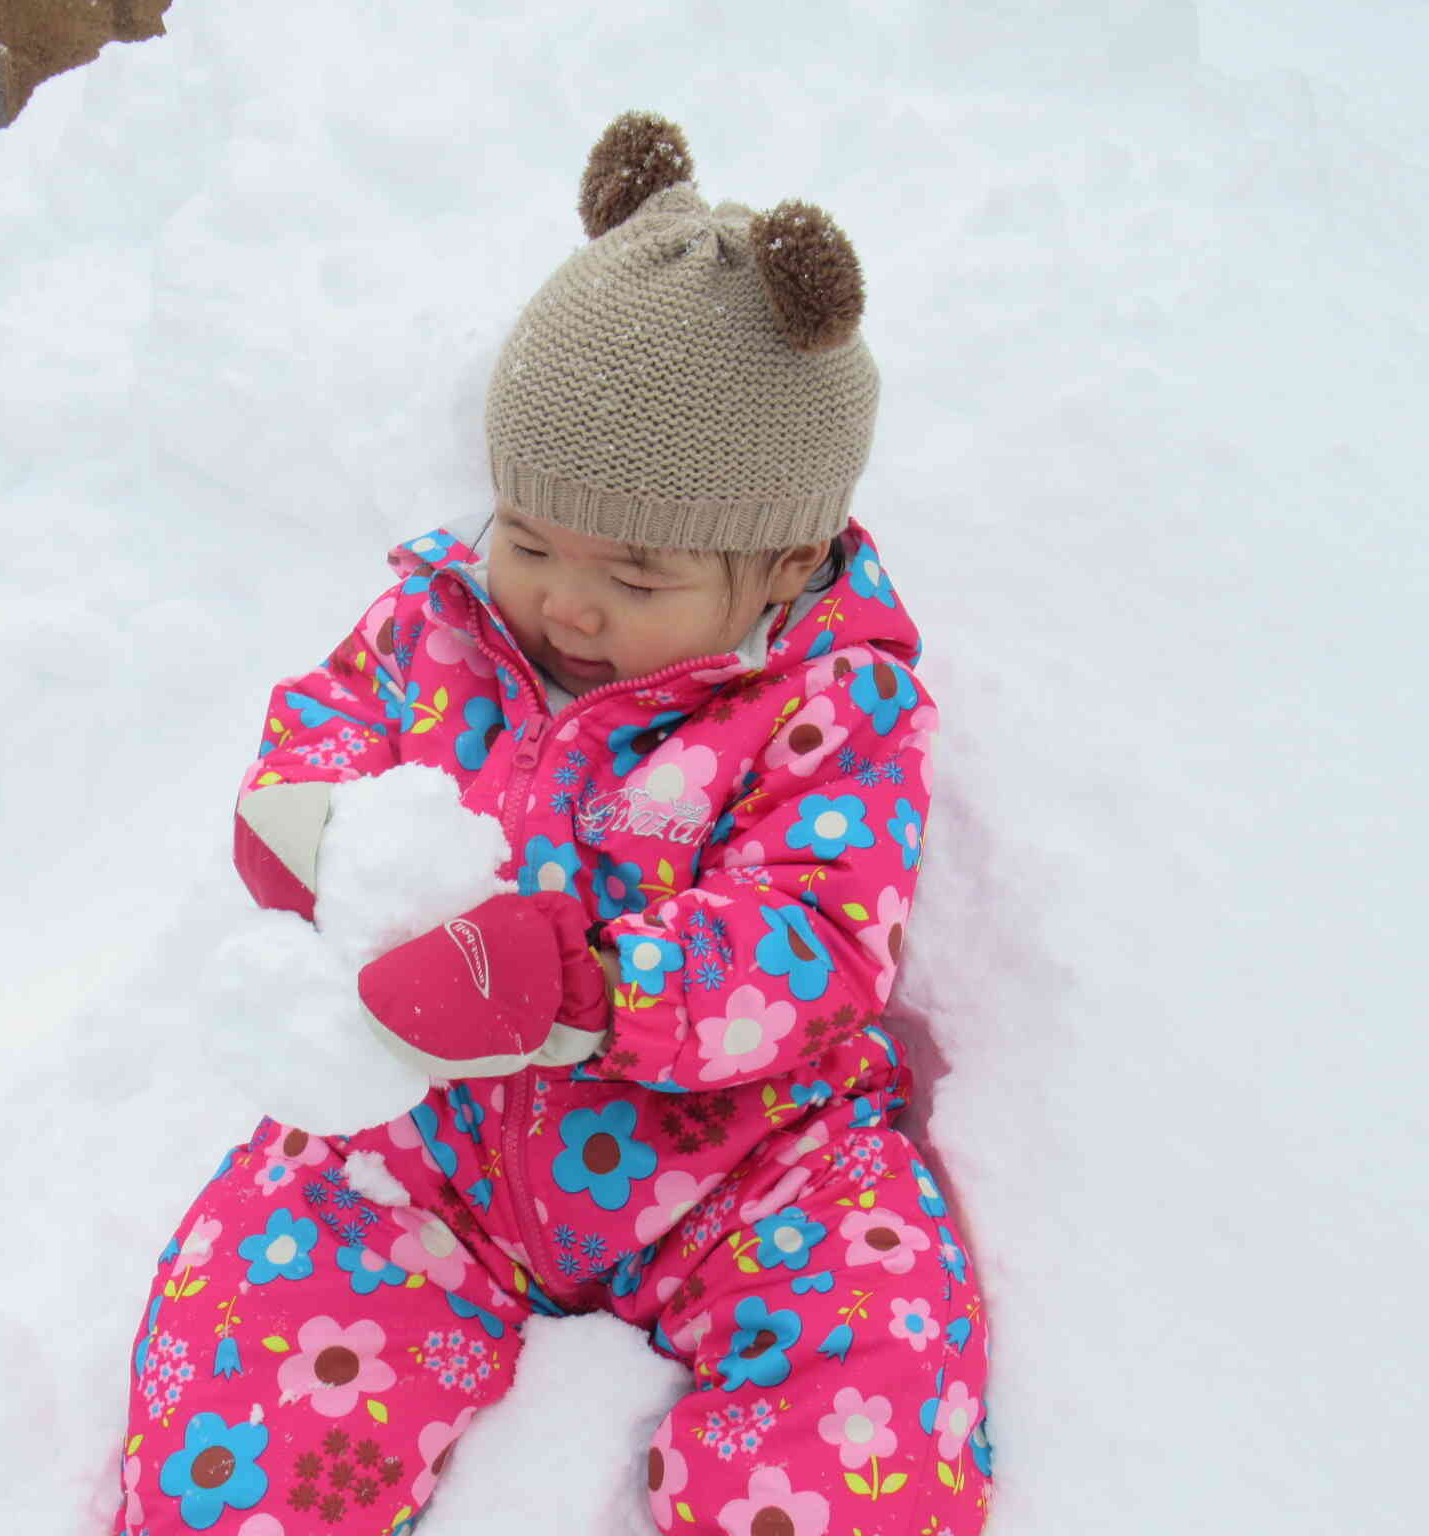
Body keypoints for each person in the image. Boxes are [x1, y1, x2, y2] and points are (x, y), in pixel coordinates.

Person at [113, 111, 992, 1536]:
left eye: (636, 576)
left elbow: (818, 939)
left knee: (872, 1345)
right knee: (267, 1302)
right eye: (531, 540)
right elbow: (331, 713)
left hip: (736, 1157)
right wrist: (313, 824)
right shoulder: (439, 620)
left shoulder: (833, 708)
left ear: (785, 556)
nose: (565, 604)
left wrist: (596, 986)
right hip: (429, 1126)